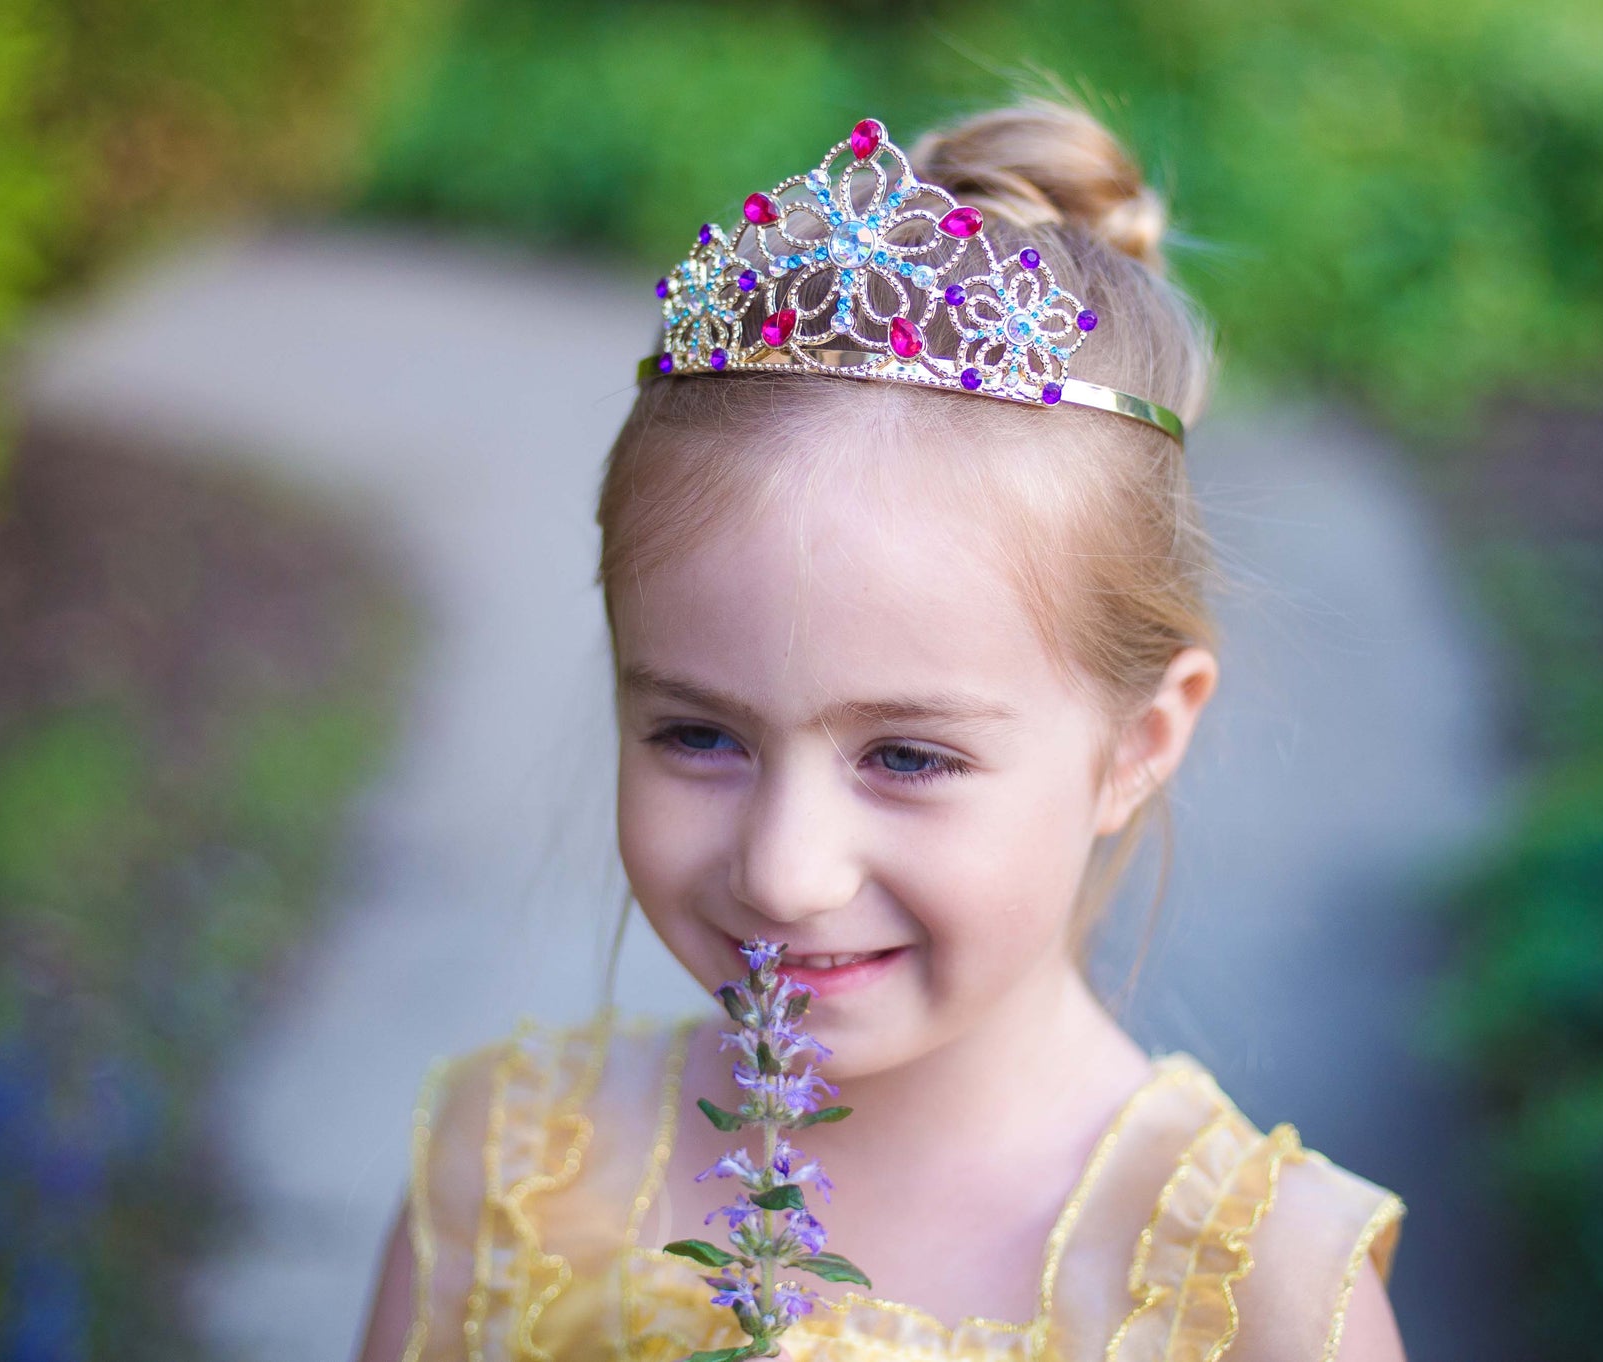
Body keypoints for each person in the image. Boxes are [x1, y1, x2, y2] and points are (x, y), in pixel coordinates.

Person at [356, 93, 1407, 1362]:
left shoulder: (1263, 1300)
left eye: (906, 756)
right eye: (698, 734)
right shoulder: (505, 1175)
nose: (784, 871)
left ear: (1136, 742)